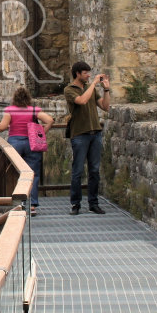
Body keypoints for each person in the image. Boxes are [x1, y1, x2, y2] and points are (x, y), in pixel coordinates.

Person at [0, 87, 54, 215]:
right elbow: (50, 120)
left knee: (13, 173)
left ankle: (15, 203)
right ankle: (33, 206)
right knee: (33, 174)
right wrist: (41, 135)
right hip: (31, 144)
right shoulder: (34, 110)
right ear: (28, 98)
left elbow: (2, 127)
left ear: (15, 98)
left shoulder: (10, 110)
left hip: (15, 144)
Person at [62, 61, 110, 215]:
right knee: (77, 171)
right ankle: (75, 204)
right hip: (80, 134)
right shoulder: (69, 89)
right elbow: (82, 101)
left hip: (95, 132)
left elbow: (105, 106)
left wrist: (106, 89)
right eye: (86, 73)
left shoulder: (90, 89)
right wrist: (94, 83)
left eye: (90, 73)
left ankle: (93, 203)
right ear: (77, 73)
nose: (89, 75)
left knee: (94, 170)